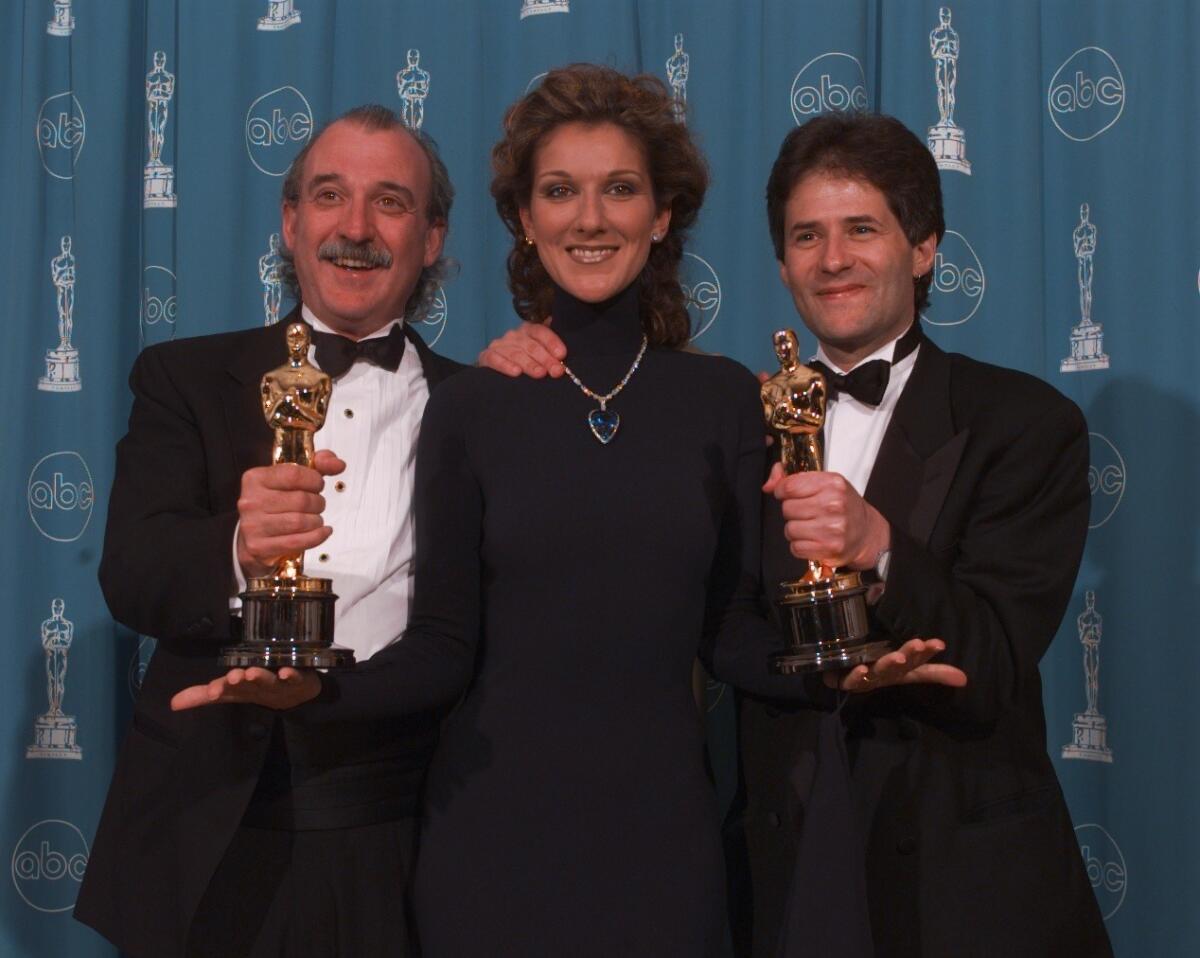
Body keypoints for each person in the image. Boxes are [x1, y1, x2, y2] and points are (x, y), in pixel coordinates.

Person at [174, 68, 961, 957]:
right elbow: (441, 647)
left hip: (665, 849)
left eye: (619, 189)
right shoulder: (472, 405)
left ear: (662, 214)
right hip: (487, 849)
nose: (590, 218)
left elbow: (734, 635)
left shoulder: (727, 402)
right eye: (560, 191)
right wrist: (318, 688)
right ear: (524, 218)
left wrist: (836, 671)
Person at [480, 111, 1112, 957]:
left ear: (923, 248)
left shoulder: (1024, 422)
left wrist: (880, 544)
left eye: (862, 229)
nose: (833, 259)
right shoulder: (733, 417)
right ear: (780, 264)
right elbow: (700, 611)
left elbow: (995, 657)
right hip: (782, 869)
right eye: (805, 236)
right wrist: (524, 367)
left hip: (962, 886)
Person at [74, 104, 460, 958]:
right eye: (329, 196)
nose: (354, 228)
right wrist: (238, 550)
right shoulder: (184, 377)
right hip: (213, 824)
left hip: (401, 821)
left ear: (431, 238)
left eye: (390, 203)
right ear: (291, 223)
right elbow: (131, 572)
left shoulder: (485, 408)